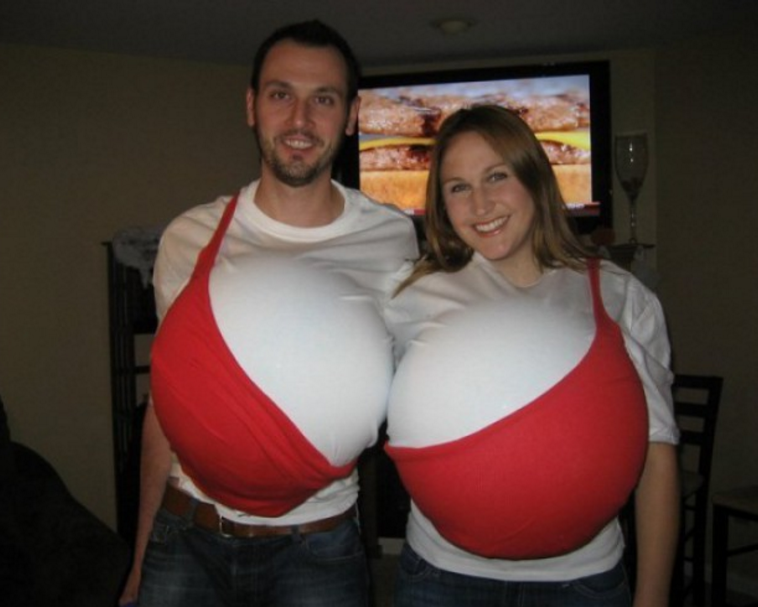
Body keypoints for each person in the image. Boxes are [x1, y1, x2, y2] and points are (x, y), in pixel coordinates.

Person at [118, 20, 418, 607]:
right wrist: (140, 560)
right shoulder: (189, 237)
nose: (300, 120)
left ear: (352, 115)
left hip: (319, 546)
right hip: (186, 537)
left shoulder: (392, 238)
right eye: (282, 95)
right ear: (252, 106)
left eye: (323, 99)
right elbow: (166, 408)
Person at [383, 105, 680, 607]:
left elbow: (658, 454)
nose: (481, 204)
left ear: (534, 177)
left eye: (497, 176)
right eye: (458, 187)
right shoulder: (409, 293)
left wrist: (652, 599)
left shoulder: (619, 295)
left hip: (582, 584)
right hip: (441, 578)